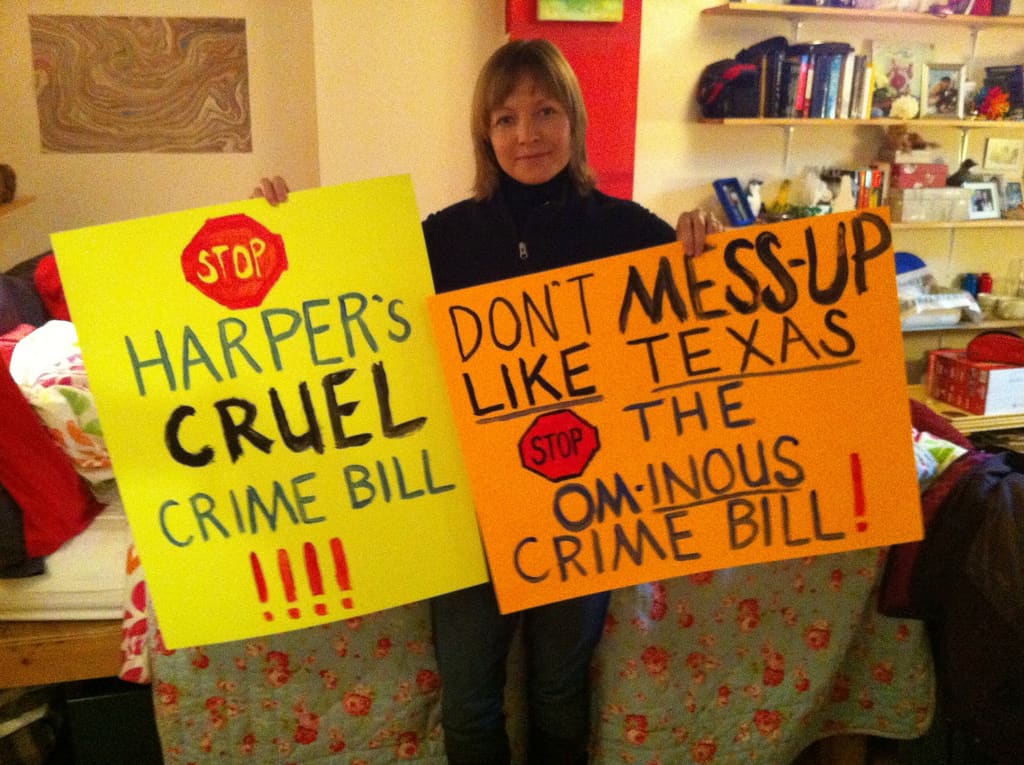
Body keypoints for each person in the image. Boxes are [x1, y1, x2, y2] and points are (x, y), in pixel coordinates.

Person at [255, 38, 721, 765]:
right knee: (470, 699)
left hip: (587, 500)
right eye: (505, 118)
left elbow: (714, 330)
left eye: (545, 111)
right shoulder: (443, 237)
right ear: (485, 134)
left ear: (574, 120)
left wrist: (708, 248)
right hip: (469, 506)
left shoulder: (629, 231)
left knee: (560, 690)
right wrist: (282, 238)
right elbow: (341, 306)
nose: (527, 133)